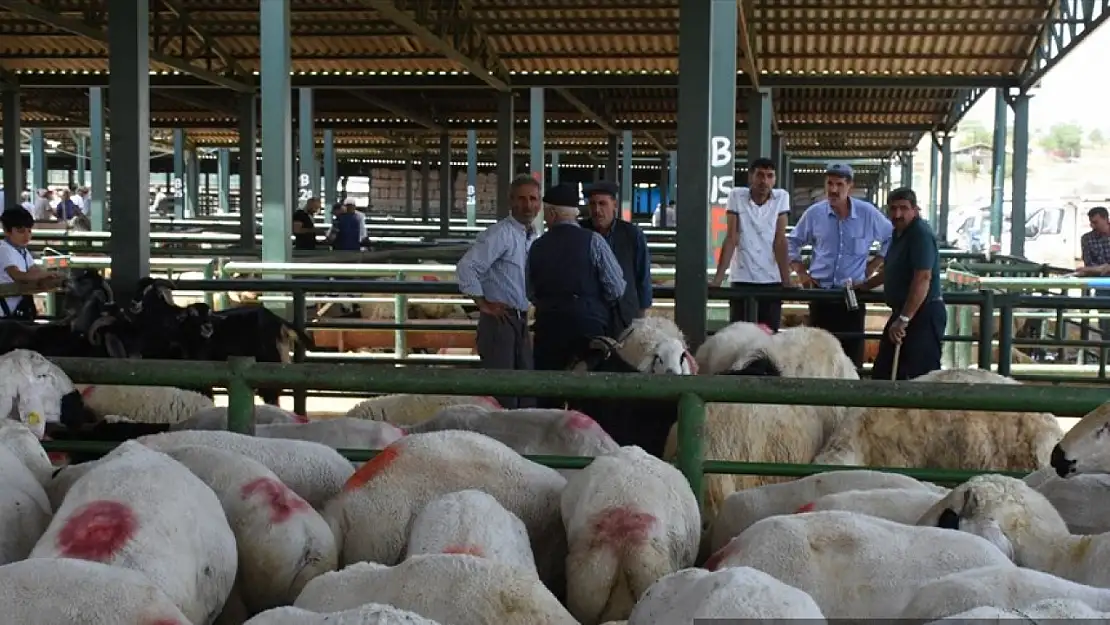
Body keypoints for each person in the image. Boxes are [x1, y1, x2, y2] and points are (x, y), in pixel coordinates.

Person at [787, 162, 893, 366]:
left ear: (849, 186)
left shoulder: (867, 214)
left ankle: (849, 395)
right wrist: (800, 271)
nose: (834, 190)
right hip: (821, 293)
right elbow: (792, 241)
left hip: (853, 295)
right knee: (817, 354)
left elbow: (892, 237)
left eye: (839, 184)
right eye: (830, 184)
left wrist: (875, 264)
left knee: (851, 352)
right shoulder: (815, 213)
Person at [527, 182, 626, 387]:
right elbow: (616, 288)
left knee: (548, 389)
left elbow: (528, 291)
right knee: (588, 390)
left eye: (546, 213)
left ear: (553, 213)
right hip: (588, 327)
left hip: (549, 328)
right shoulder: (594, 241)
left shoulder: (537, 246)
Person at [456, 174, 541, 409]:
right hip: (499, 321)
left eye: (533, 199)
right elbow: (466, 267)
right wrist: (483, 304)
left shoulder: (532, 237)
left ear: (540, 203)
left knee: (524, 389)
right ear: (511, 202)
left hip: (520, 318)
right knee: (502, 394)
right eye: (522, 199)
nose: (528, 205)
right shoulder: (500, 234)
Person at [855, 188, 945, 380]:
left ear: (915, 209)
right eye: (893, 209)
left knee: (920, 375)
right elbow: (892, 268)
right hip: (904, 311)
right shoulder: (898, 233)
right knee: (885, 371)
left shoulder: (920, 234)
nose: (897, 214)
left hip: (922, 312)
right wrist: (866, 285)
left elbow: (922, 277)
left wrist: (904, 319)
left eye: (903, 208)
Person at [711, 158, 793, 331]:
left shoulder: (781, 197)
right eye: (760, 175)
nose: (764, 181)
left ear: (775, 179)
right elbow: (732, 237)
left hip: (771, 280)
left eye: (770, 176)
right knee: (739, 336)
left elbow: (780, 239)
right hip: (742, 277)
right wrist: (718, 280)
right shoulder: (736, 195)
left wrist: (786, 281)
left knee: (768, 336)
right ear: (751, 177)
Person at [580, 180, 652, 338]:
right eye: (592, 204)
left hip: (625, 314)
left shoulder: (632, 235)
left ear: (614, 205)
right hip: (590, 315)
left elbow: (643, 276)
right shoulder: (580, 233)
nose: (597, 210)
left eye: (602, 204)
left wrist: (642, 314)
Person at [0, 207, 62, 320]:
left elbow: (33, 270)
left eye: (29, 230)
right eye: (21, 231)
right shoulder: (3, 250)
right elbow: (18, 276)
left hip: (17, 310)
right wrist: (44, 275)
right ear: (6, 231)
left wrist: (49, 276)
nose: (27, 236)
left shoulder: (23, 251)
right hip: (4, 313)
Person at [1073, 206, 1110, 336]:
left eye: (1096, 222)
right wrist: (1100, 268)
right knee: (1105, 322)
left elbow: (1088, 268)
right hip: (1103, 285)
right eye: (1091, 222)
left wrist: (1098, 268)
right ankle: (1106, 352)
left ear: (1106, 219)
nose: (1093, 226)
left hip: (1102, 281)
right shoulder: (1087, 239)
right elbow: (1088, 263)